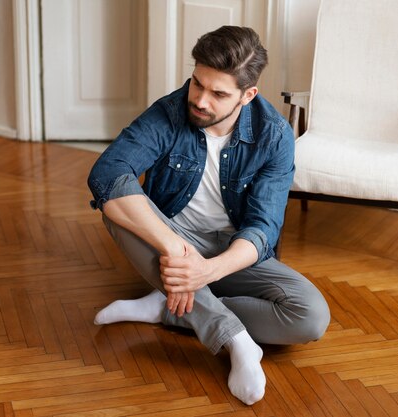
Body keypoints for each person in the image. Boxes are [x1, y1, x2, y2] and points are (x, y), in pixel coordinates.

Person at [87, 25, 330, 405]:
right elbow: (106, 174)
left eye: (218, 93)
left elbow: (263, 229)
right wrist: (176, 250)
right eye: (197, 83)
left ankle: (167, 308)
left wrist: (206, 272)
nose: (199, 100)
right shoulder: (168, 113)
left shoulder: (275, 136)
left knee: (310, 317)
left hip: (233, 251)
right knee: (116, 206)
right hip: (174, 240)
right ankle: (236, 341)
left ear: (248, 95)